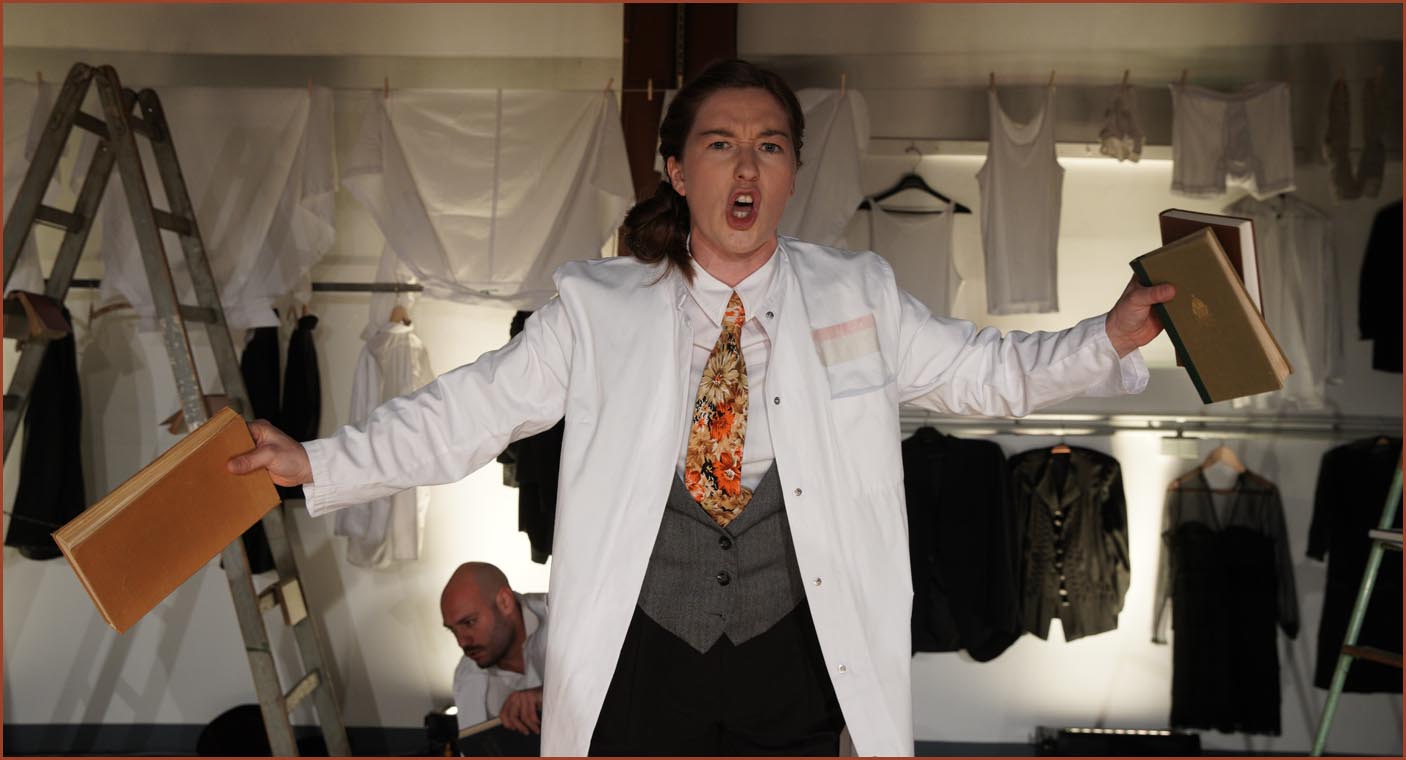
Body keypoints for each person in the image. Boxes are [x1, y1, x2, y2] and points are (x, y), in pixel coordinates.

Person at [229, 59, 1173, 756]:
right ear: (679, 171)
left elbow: (989, 373)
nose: (746, 169)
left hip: (795, 656)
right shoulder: (596, 306)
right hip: (643, 658)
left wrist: (1110, 336)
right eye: (721, 146)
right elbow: (469, 409)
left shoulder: (858, 293)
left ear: (793, 173)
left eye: (770, 147)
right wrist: (318, 460)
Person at [440, 562, 548, 736]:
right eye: (453, 630)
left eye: (469, 622)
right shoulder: (467, 674)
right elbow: (476, 745)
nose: (462, 642)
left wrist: (546, 696)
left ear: (505, 602)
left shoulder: (562, 621)